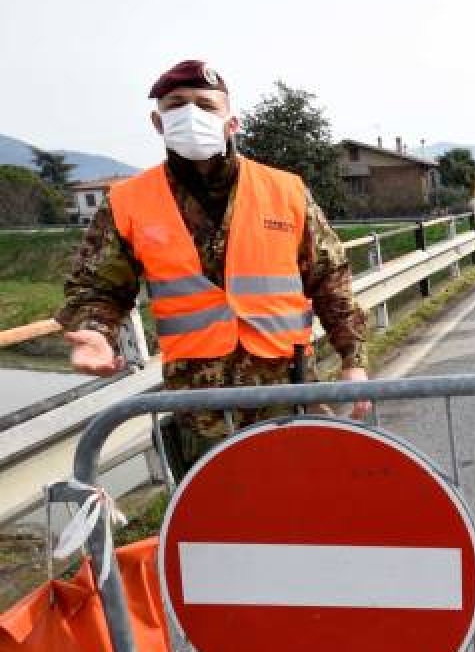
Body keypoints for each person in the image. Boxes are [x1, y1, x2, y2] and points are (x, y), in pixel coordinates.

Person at [56, 60, 371, 473]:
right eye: (176, 104)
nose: (191, 114)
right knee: (218, 522)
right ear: (158, 122)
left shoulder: (284, 190)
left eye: (206, 105)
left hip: (287, 387)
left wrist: (353, 358)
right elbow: (97, 288)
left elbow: (330, 277)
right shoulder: (128, 202)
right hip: (198, 404)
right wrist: (96, 334)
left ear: (231, 122)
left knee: (311, 504)